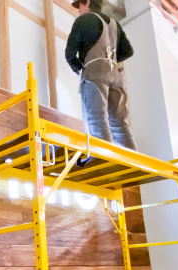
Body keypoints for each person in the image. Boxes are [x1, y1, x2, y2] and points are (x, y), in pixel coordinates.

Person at [66, 0, 137, 165]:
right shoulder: (114, 24)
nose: (79, 11)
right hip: (115, 75)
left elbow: (70, 53)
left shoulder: (83, 20)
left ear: (88, 2)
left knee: (96, 117)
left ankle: (101, 157)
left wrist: (80, 69)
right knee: (119, 120)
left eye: (80, 6)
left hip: (94, 72)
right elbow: (128, 51)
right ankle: (132, 157)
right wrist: (109, 61)